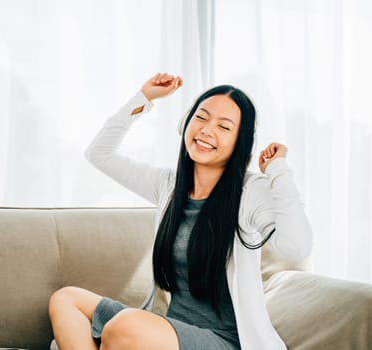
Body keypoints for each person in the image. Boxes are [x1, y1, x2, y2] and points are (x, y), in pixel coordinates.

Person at [49, 72, 313, 350]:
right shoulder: (169, 186)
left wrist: (278, 171)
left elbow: (298, 247)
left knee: (122, 328)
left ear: (240, 143)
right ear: (185, 124)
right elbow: (99, 154)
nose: (207, 130)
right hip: (168, 329)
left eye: (224, 127)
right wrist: (144, 98)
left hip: (223, 340)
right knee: (66, 299)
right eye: (201, 117)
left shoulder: (249, 193)